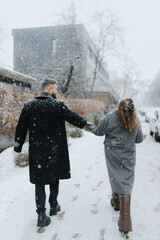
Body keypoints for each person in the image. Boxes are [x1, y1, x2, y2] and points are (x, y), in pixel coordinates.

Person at [14, 79, 87, 228]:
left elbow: (21, 127)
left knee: (39, 181)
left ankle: (41, 214)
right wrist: (87, 125)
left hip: (37, 151)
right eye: (55, 89)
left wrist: (17, 146)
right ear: (50, 88)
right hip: (55, 150)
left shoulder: (29, 105)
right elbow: (73, 118)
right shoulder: (57, 105)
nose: (56, 91)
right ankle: (53, 205)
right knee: (54, 178)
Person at [86, 98, 144, 236]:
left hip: (112, 153)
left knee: (115, 177)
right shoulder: (135, 119)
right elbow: (139, 139)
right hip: (128, 156)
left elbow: (99, 132)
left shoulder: (110, 117)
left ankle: (117, 202)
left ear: (119, 106)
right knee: (126, 183)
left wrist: (88, 125)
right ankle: (124, 222)